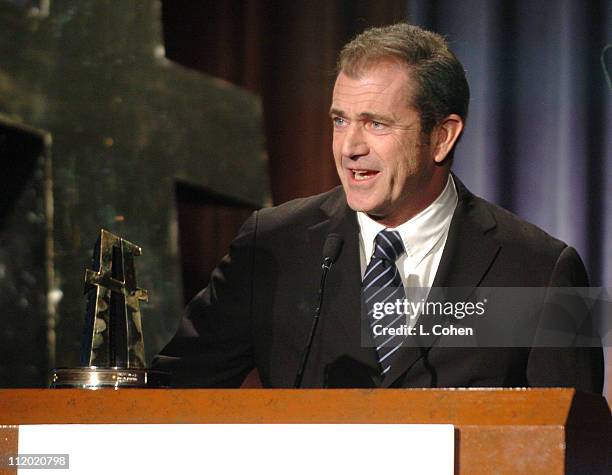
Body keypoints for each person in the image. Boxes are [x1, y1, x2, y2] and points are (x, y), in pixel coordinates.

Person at [153, 23, 603, 391]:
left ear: (442, 136)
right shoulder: (270, 244)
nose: (349, 147)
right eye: (340, 120)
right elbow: (171, 395)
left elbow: (580, 443)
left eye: (376, 124)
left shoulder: (544, 270)